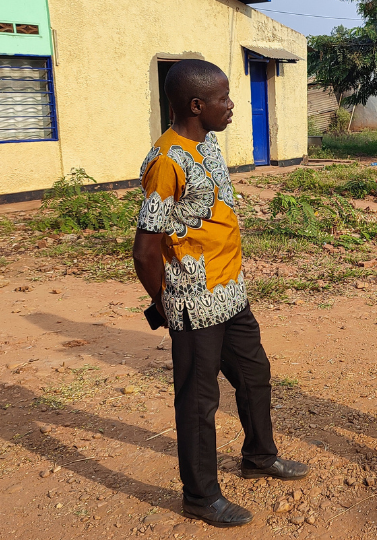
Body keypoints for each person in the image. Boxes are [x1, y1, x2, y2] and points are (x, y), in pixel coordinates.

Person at [132, 59, 308, 528]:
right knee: (198, 401)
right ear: (196, 105)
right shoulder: (167, 161)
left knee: (255, 375)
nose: (232, 106)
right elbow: (145, 249)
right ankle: (200, 496)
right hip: (193, 301)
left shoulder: (205, 143)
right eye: (223, 98)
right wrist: (162, 302)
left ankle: (259, 457)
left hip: (230, 292)